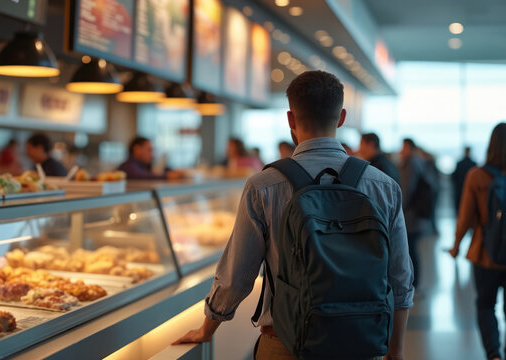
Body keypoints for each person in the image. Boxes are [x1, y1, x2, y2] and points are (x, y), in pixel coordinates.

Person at [174, 71, 413, 360]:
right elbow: (400, 277)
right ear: (341, 117)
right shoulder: (382, 185)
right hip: (361, 341)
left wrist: (207, 328)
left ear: (290, 119)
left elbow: (237, 275)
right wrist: (396, 351)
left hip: (285, 343)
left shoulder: (263, 185)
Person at [449, 123, 506, 360]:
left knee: (485, 305)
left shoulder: (477, 175)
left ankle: (493, 354)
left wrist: (457, 244)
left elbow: (466, 216)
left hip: (485, 252)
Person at [399, 138, 432, 289]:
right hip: (417, 215)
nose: (401, 151)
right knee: (413, 249)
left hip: (411, 216)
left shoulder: (412, 163)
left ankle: (414, 284)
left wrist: (398, 207)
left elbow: (407, 189)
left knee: (411, 250)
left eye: (403, 148)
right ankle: (415, 283)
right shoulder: (419, 161)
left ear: (410, 148)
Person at [117, 137, 183, 180]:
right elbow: (143, 177)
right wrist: (167, 176)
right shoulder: (129, 166)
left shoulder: (140, 166)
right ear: (137, 149)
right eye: (149, 150)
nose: (152, 154)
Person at [451, 146, 476, 215]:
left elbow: (454, 177)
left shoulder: (459, 164)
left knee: (459, 210)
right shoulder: (473, 164)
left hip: (460, 190)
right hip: (470, 191)